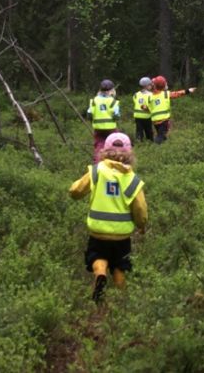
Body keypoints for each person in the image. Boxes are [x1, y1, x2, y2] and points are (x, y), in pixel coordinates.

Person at [69, 132, 147, 303]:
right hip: (122, 235)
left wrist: (73, 192)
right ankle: (121, 299)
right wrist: (141, 225)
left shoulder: (97, 171)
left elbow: (76, 190)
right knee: (120, 265)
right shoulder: (131, 179)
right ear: (129, 153)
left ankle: (100, 274)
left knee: (97, 256)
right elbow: (140, 207)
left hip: (98, 231)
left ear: (104, 150)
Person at [147, 75, 196, 144]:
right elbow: (177, 94)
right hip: (164, 121)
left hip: (155, 121)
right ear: (163, 85)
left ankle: (162, 147)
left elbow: (148, 107)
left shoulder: (150, 96)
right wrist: (188, 91)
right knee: (160, 137)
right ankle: (154, 147)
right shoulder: (166, 94)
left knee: (162, 135)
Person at [86, 79, 120, 162]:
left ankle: (98, 162)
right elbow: (116, 116)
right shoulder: (113, 101)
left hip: (98, 128)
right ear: (111, 90)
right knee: (114, 144)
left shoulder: (94, 100)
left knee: (99, 145)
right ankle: (113, 161)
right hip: (111, 128)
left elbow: (89, 114)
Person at [132, 76, 154, 142]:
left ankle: (139, 142)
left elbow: (135, 102)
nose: (151, 86)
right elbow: (151, 106)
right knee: (148, 131)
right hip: (147, 116)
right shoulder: (151, 95)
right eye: (150, 84)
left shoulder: (136, 94)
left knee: (139, 131)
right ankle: (150, 142)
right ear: (147, 86)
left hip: (137, 117)